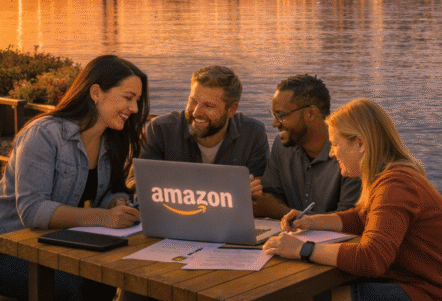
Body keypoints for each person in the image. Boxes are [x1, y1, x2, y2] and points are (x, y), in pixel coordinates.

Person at [262, 98, 442, 301]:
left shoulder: (396, 185)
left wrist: (302, 249)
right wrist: (310, 221)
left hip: (440, 294)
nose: (331, 154)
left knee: (321, 297)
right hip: (419, 285)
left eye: (336, 145)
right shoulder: (390, 178)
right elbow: (362, 218)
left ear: (360, 143)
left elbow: (371, 259)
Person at [0, 55, 148, 301]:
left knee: (107, 281)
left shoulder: (112, 139)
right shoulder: (43, 134)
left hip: (56, 245)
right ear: (96, 92)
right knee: (72, 287)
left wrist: (117, 204)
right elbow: (33, 210)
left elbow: (112, 190)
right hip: (9, 246)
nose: (134, 109)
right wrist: (104, 217)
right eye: (127, 98)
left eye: (137, 101)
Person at [252, 75, 361, 218]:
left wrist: (280, 212)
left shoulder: (351, 151)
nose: (275, 124)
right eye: (274, 115)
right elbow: (272, 195)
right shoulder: (282, 145)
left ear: (311, 114)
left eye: (281, 115)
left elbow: (349, 220)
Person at [140, 65, 267, 180]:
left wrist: (256, 189)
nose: (196, 112)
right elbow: (135, 180)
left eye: (208, 106)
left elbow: (261, 183)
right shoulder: (159, 129)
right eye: (193, 101)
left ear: (231, 109)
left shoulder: (253, 133)